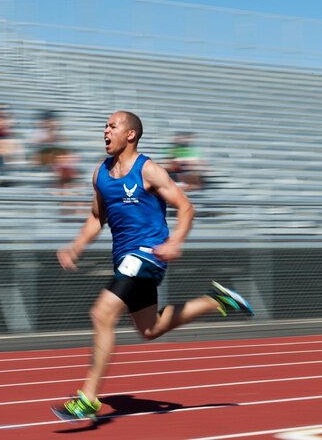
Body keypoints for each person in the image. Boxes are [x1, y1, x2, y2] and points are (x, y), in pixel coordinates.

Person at [53, 111, 253, 420]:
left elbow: (186, 206)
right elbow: (96, 217)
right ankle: (219, 301)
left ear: (130, 134)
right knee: (150, 328)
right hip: (124, 258)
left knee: (101, 312)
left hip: (147, 254)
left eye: (112, 126)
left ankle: (88, 399)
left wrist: (176, 240)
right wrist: (75, 246)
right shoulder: (100, 174)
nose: (105, 130)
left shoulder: (148, 170)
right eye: (105, 126)